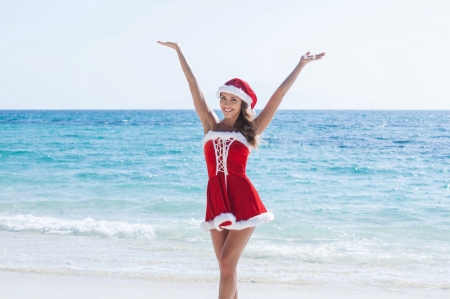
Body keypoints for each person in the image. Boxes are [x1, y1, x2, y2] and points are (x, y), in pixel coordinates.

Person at [157, 41, 325, 299]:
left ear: (243, 104)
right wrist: (179, 51)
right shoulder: (210, 125)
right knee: (226, 269)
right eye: (223, 98)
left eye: (232, 100)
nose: (226, 103)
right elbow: (193, 84)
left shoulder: (250, 130)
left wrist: (300, 65)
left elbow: (277, 95)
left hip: (242, 199)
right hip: (215, 198)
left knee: (227, 265)